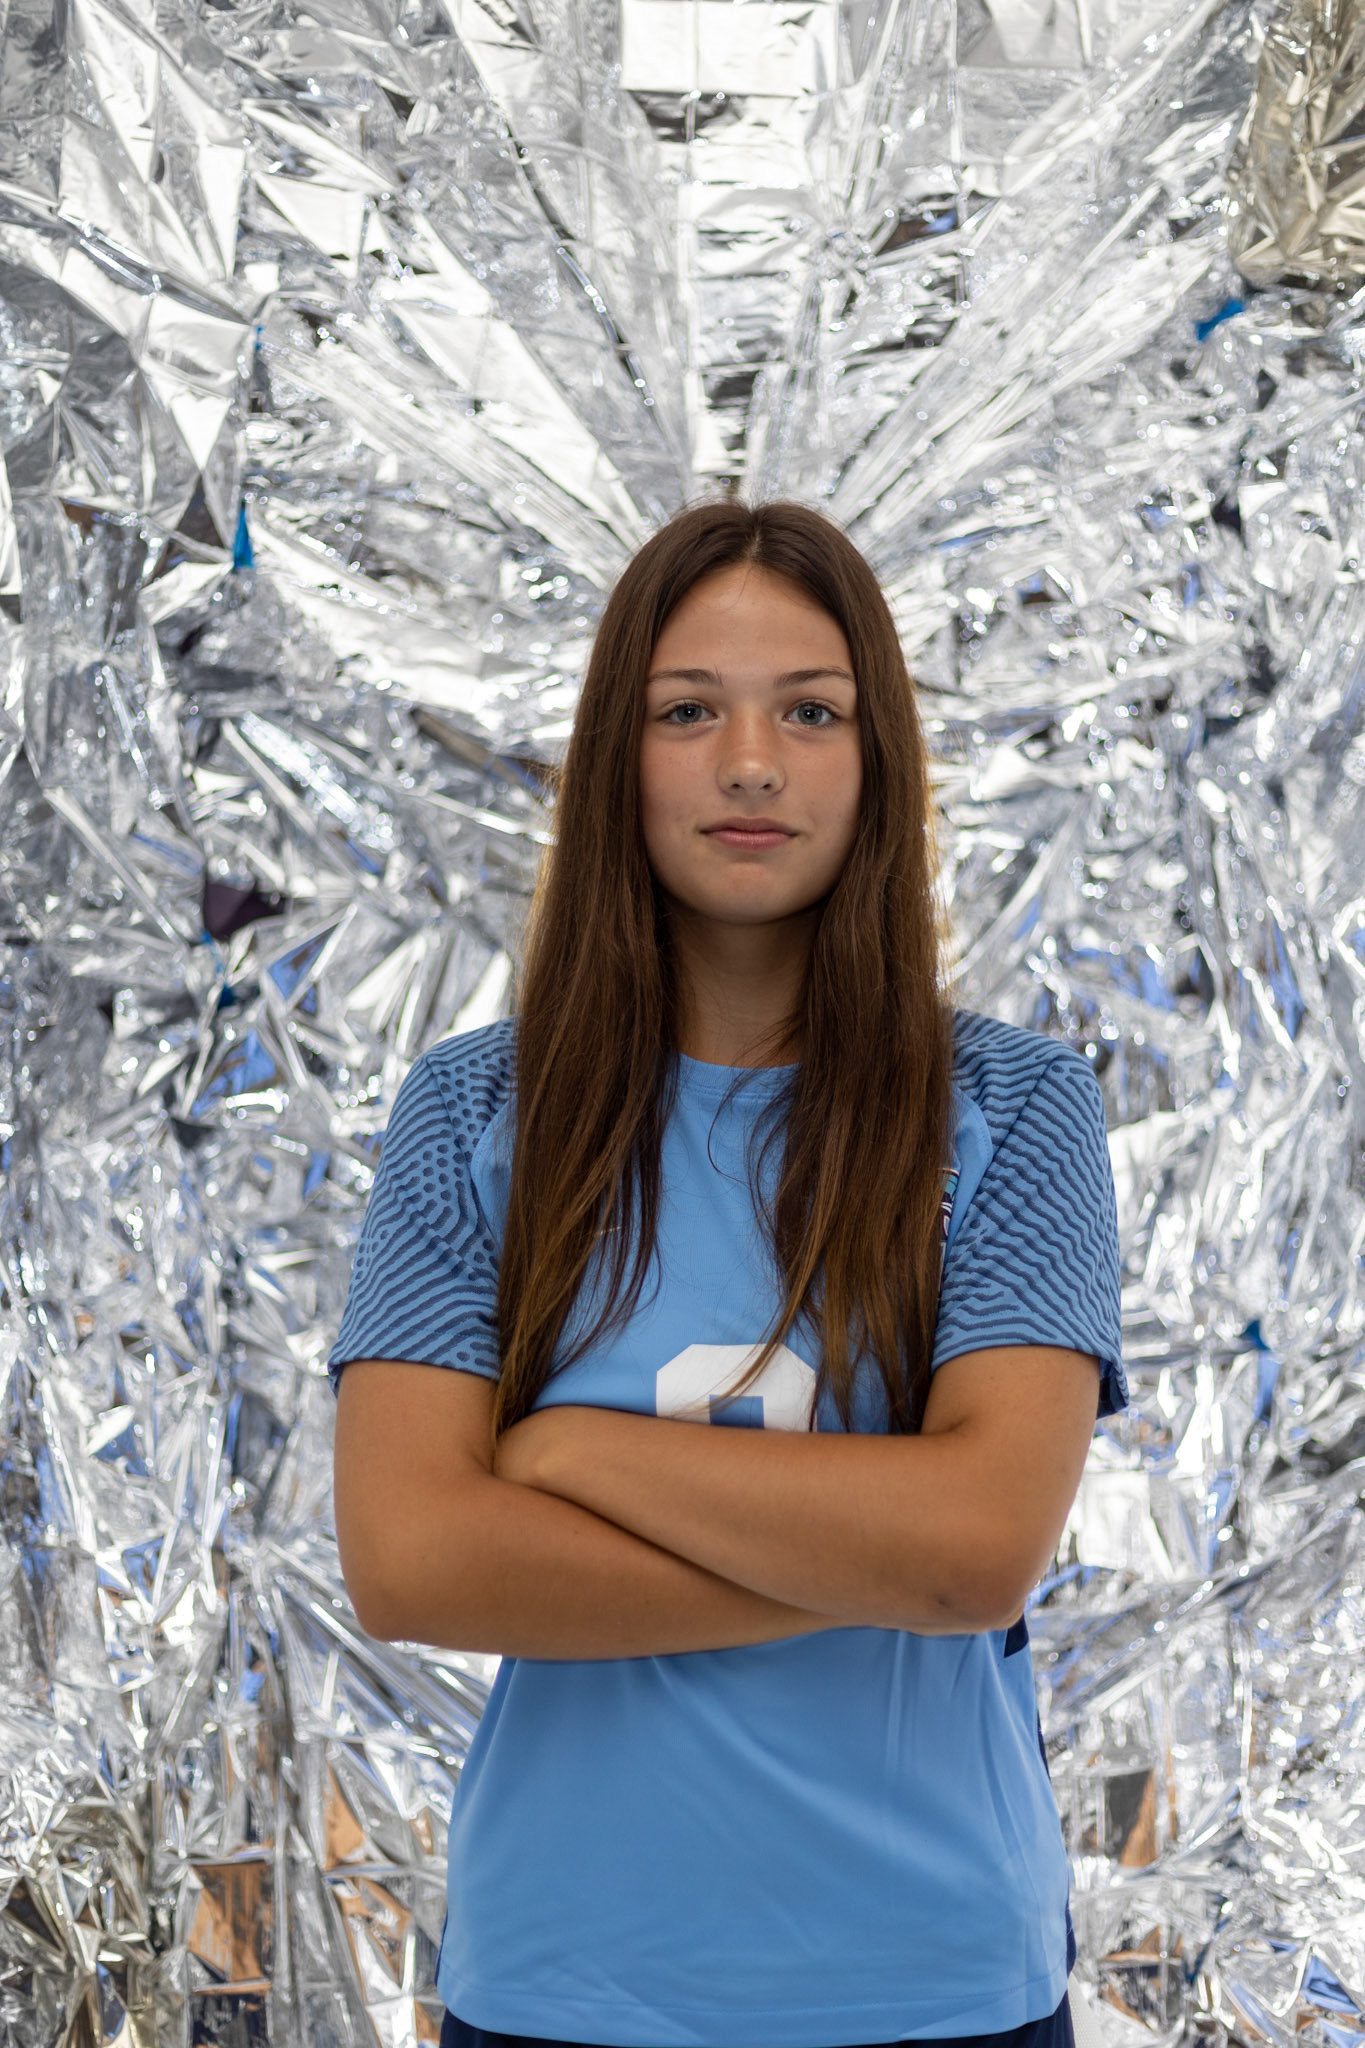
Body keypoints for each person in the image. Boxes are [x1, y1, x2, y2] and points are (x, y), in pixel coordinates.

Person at [329, 499, 1125, 2048]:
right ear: (613, 760)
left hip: (934, 1985)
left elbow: (974, 1553)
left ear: (876, 756)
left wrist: (562, 1456)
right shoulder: (476, 1113)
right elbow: (414, 1560)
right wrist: (860, 1546)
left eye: (809, 712)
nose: (749, 760)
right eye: (687, 710)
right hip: (566, 1983)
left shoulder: (1017, 1109)